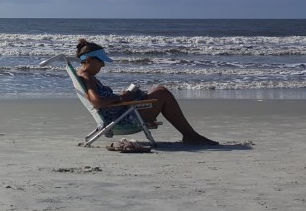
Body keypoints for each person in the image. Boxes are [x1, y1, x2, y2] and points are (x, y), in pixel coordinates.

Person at [75, 38, 218, 145]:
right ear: (89, 59)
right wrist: (121, 98)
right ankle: (190, 135)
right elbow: (98, 102)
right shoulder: (87, 77)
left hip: (121, 113)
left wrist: (124, 97)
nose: (103, 65)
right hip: (122, 119)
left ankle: (190, 135)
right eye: (101, 61)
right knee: (163, 94)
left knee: (158, 90)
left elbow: (100, 100)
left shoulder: (85, 75)